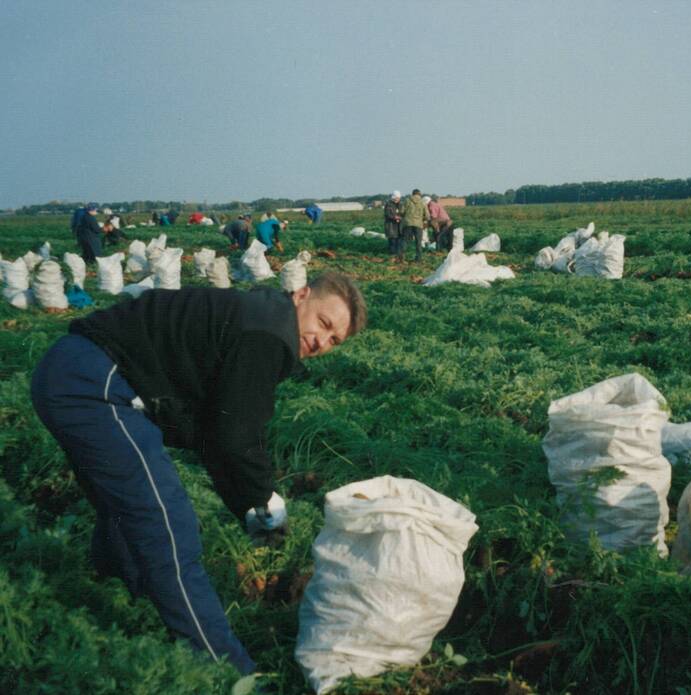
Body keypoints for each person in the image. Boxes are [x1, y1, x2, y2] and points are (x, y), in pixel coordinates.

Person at [30, 273, 367, 675]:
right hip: (95, 385)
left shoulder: (261, 316)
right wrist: (264, 498)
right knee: (168, 527)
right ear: (300, 295)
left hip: (72, 370)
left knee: (122, 505)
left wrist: (247, 504)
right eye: (323, 324)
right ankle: (229, 671)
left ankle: (121, 591)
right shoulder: (271, 332)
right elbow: (236, 434)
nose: (320, 342)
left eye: (333, 341)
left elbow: (215, 431)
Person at [400, 189, 429, 262]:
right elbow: (427, 216)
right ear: (419, 194)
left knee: (405, 240)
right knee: (418, 242)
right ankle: (418, 259)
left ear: (412, 194)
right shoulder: (423, 202)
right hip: (418, 225)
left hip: (408, 223)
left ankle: (401, 257)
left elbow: (402, 212)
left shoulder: (407, 200)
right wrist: (423, 219)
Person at [383, 191, 403, 257]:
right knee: (392, 240)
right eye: (397, 198)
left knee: (399, 240)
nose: (398, 199)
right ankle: (392, 254)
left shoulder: (400, 204)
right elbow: (387, 214)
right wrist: (395, 217)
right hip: (391, 225)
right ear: (393, 198)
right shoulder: (388, 204)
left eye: (398, 198)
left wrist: (400, 217)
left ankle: (398, 253)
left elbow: (402, 212)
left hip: (399, 225)